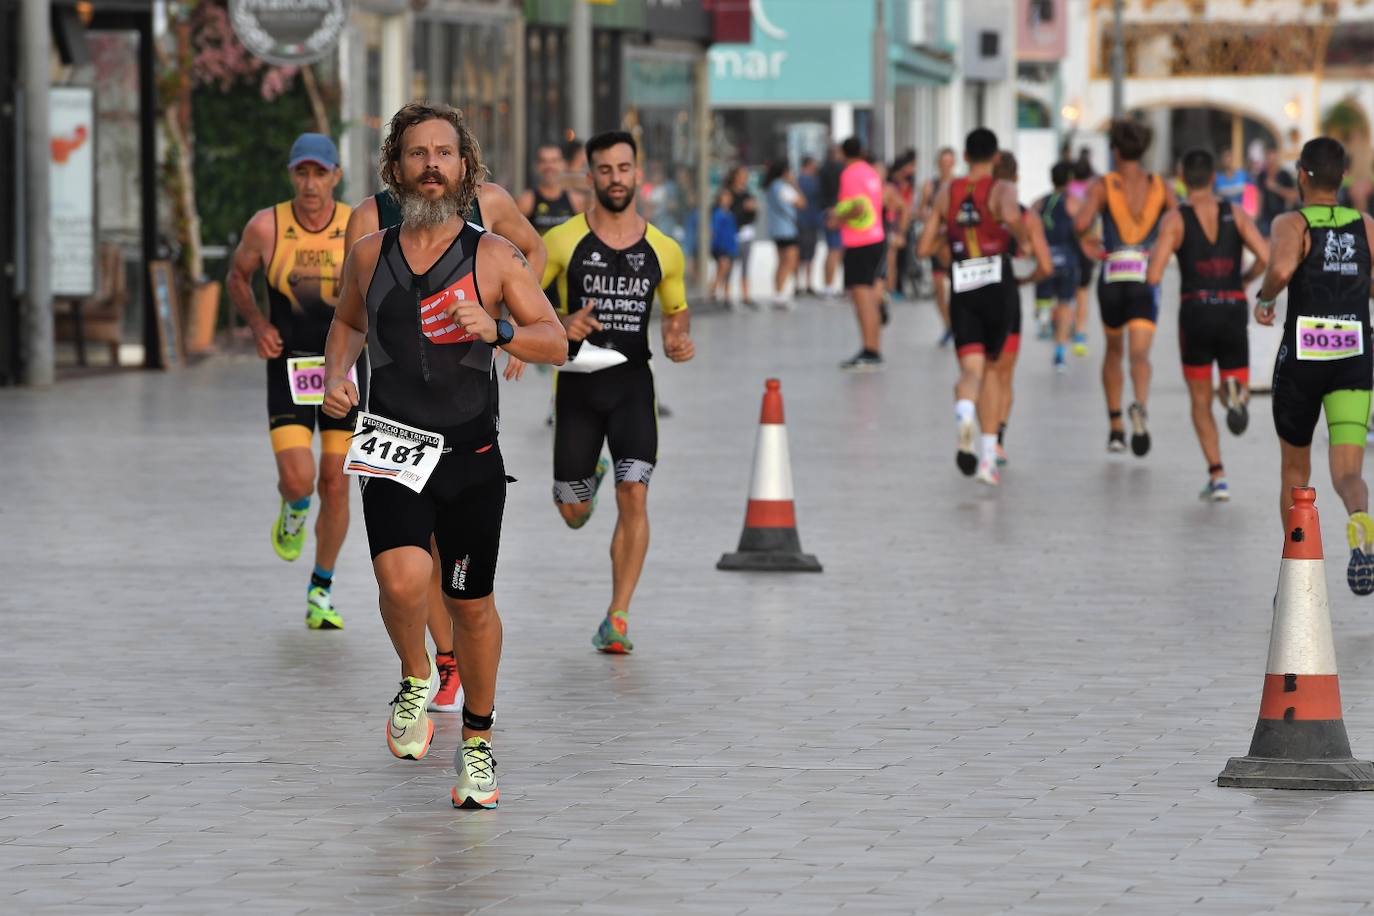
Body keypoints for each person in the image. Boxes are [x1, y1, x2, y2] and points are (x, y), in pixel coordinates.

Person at [322, 102, 567, 808]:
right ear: (395, 167)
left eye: (445, 154)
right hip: (392, 443)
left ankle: (479, 743)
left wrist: (496, 329)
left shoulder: (492, 255)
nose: (432, 165)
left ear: (465, 169)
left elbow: (552, 339)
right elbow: (346, 322)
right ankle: (414, 673)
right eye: (418, 153)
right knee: (400, 583)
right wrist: (338, 377)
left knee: (472, 605)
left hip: (470, 455)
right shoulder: (370, 252)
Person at [540, 130, 696, 654]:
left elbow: (676, 310)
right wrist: (561, 322)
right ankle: (589, 478)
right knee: (572, 512)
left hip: (633, 388)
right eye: (604, 170)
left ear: (637, 172)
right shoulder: (562, 241)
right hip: (578, 388)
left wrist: (677, 338)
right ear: (590, 177)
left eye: (623, 168)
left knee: (635, 495)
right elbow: (523, 303)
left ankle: (618, 615)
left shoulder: (664, 249)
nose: (615, 179)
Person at [227, 132, 356, 632]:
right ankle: (293, 506)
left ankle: (321, 588)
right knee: (302, 480)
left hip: (342, 369)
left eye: (320, 173)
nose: (310, 184)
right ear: (291, 175)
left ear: (335, 176)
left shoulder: (356, 226)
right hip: (290, 367)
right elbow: (238, 276)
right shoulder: (267, 226)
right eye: (301, 172)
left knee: (336, 485)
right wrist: (259, 326)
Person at [1255, 137, 1374, 595]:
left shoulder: (1292, 221)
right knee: (1348, 472)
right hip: (1353, 355)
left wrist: (1265, 299)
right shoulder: (1364, 224)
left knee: (1294, 472)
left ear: (1303, 175)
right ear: (1341, 177)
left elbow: (1283, 269)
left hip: (1305, 357)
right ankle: (1361, 521)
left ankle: (1295, 581)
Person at [1147, 148, 1269, 501]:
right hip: (1232, 307)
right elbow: (1265, 256)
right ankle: (1234, 394)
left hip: (1196, 310)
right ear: (1214, 177)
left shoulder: (1175, 219)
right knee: (1234, 380)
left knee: (1200, 400)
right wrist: (1243, 279)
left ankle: (1218, 476)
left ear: (1182, 179)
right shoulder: (1235, 213)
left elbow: (1154, 275)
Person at [917, 128, 1034, 486]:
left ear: (965, 157)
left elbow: (923, 248)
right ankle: (987, 458)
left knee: (971, 370)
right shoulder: (1002, 189)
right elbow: (1014, 219)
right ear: (996, 157)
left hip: (963, 284)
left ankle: (965, 415)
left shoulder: (947, 192)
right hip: (997, 282)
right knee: (997, 372)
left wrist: (950, 239)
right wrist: (1021, 240)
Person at [1074, 119, 1176, 456]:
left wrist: (1087, 242)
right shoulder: (1160, 187)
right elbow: (1179, 223)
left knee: (1113, 352)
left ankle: (1116, 426)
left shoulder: (1103, 186)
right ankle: (1141, 406)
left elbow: (1081, 223)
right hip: (1145, 278)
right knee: (1140, 355)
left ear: (1115, 150)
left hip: (1112, 276)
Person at [988, 150, 1052, 466]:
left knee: (977, 369)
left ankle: (973, 426)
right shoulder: (1026, 217)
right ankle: (997, 440)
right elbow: (1046, 266)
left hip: (970, 292)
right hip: (1006, 294)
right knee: (1003, 375)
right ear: (1015, 179)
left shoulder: (974, 211)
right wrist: (1025, 280)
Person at [832, 137, 888, 370]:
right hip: (876, 237)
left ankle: (870, 349)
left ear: (843, 153)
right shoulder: (870, 172)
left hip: (859, 241)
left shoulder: (850, 174)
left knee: (862, 299)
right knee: (871, 298)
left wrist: (837, 219)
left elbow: (857, 206)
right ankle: (873, 347)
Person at [1034, 163, 1082, 371]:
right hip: (1067, 260)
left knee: (1043, 298)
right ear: (1070, 180)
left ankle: (1043, 316)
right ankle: (1060, 351)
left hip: (1045, 259)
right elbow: (1084, 228)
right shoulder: (1074, 203)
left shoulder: (1039, 203)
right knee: (1065, 304)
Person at [920, 147, 958, 346]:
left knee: (956, 286)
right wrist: (928, 217)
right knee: (938, 288)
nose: (946, 166)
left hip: (953, 241)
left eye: (949, 162)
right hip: (936, 241)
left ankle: (958, 324)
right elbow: (920, 210)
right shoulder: (930, 186)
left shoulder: (959, 185)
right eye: (943, 162)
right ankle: (948, 325)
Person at [517, 143, 586, 235]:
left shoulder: (577, 201)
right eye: (543, 161)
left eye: (554, 161)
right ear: (536, 166)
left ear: (563, 164)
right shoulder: (526, 201)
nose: (549, 166)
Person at [1067, 157, 1099, 358]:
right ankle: (1079, 332)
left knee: (1065, 295)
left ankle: (1064, 322)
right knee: (1083, 294)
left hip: (1068, 247)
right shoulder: (1091, 192)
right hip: (1086, 247)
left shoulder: (1068, 191)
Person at [765, 159, 804, 309]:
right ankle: (780, 294)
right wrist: (795, 185)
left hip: (776, 229)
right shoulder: (782, 187)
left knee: (781, 262)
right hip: (787, 229)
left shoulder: (771, 187)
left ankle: (778, 293)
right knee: (789, 261)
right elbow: (801, 203)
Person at [726, 166, 759, 307]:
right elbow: (728, 213)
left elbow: (753, 215)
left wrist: (753, 209)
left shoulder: (748, 194)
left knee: (745, 265)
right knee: (730, 265)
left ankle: (745, 295)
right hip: (733, 233)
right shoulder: (728, 194)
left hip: (746, 233)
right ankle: (726, 295)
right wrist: (743, 208)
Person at [818, 144, 846, 296]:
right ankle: (829, 286)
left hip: (827, 210)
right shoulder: (839, 169)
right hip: (835, 211)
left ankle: (829, 285)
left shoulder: (822, 169)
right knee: (835, 251)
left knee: (834, 250)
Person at [1256, 145, 1298, 237]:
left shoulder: (1284, 175)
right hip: (1265, 220)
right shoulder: (1262, 176)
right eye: (1268, 159)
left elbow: (1293, 196)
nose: (1270, 162)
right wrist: (1258, 216)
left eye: (1273, 159)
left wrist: (1275, 188)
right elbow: (1260, 196)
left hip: (1282, 217)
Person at [796, 155, 823, 295]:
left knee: (808, 254)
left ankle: (805, 283)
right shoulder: (805, 181)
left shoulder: (801, 180)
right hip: (805, 221)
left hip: (810, 221)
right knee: (804, 254)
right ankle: (802, 283)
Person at [709, 188, 738, 306]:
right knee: (722, 268)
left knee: (728, 272)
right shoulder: (717, 214)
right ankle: (712, 291)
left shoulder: (730, 214)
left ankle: (726, 294)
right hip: (720, 246)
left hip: (729, 245)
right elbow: (714, 230)